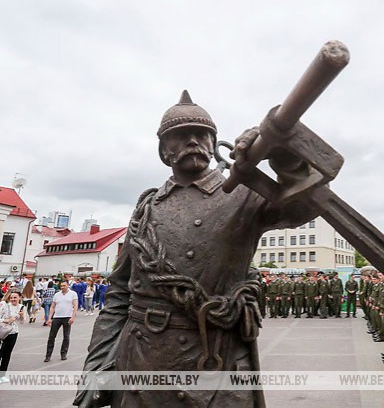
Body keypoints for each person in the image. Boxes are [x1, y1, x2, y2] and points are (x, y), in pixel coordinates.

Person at [75, 91, 318, 407]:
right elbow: (119, 294)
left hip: (217, 361)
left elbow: (302, 208)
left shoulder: (243, 194)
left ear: (214, 144)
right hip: (142, 362)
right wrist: (95, 370)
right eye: (179, 136)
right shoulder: (147, 209)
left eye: (202, 134)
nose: (192, 140)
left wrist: (283, 156)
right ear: (164, 151)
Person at [44, 280, 78, 362]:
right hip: (57, 317)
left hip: (67, 317)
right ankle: (48, 355)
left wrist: (73, 317)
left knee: (66, 337)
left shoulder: (73, 294)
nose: (62, 287)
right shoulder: (57, 295)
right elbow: (52, 307)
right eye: (61, 286)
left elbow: (75, 305)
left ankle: (63, 354)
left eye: (64, 286)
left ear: (68, 285)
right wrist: (49, 318)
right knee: (51, 337)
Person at [0, 291, 25, 383]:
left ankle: (2, 375)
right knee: (0, 353)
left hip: (13, 332)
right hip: (2, 331)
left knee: (7, 354)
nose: (13, 299)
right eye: (11, 297)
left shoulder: (22, 307)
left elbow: (21, 322)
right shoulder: (5, 306)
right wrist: (6, 320)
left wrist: (22, 316)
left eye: (15, 297)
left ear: (19, 298)